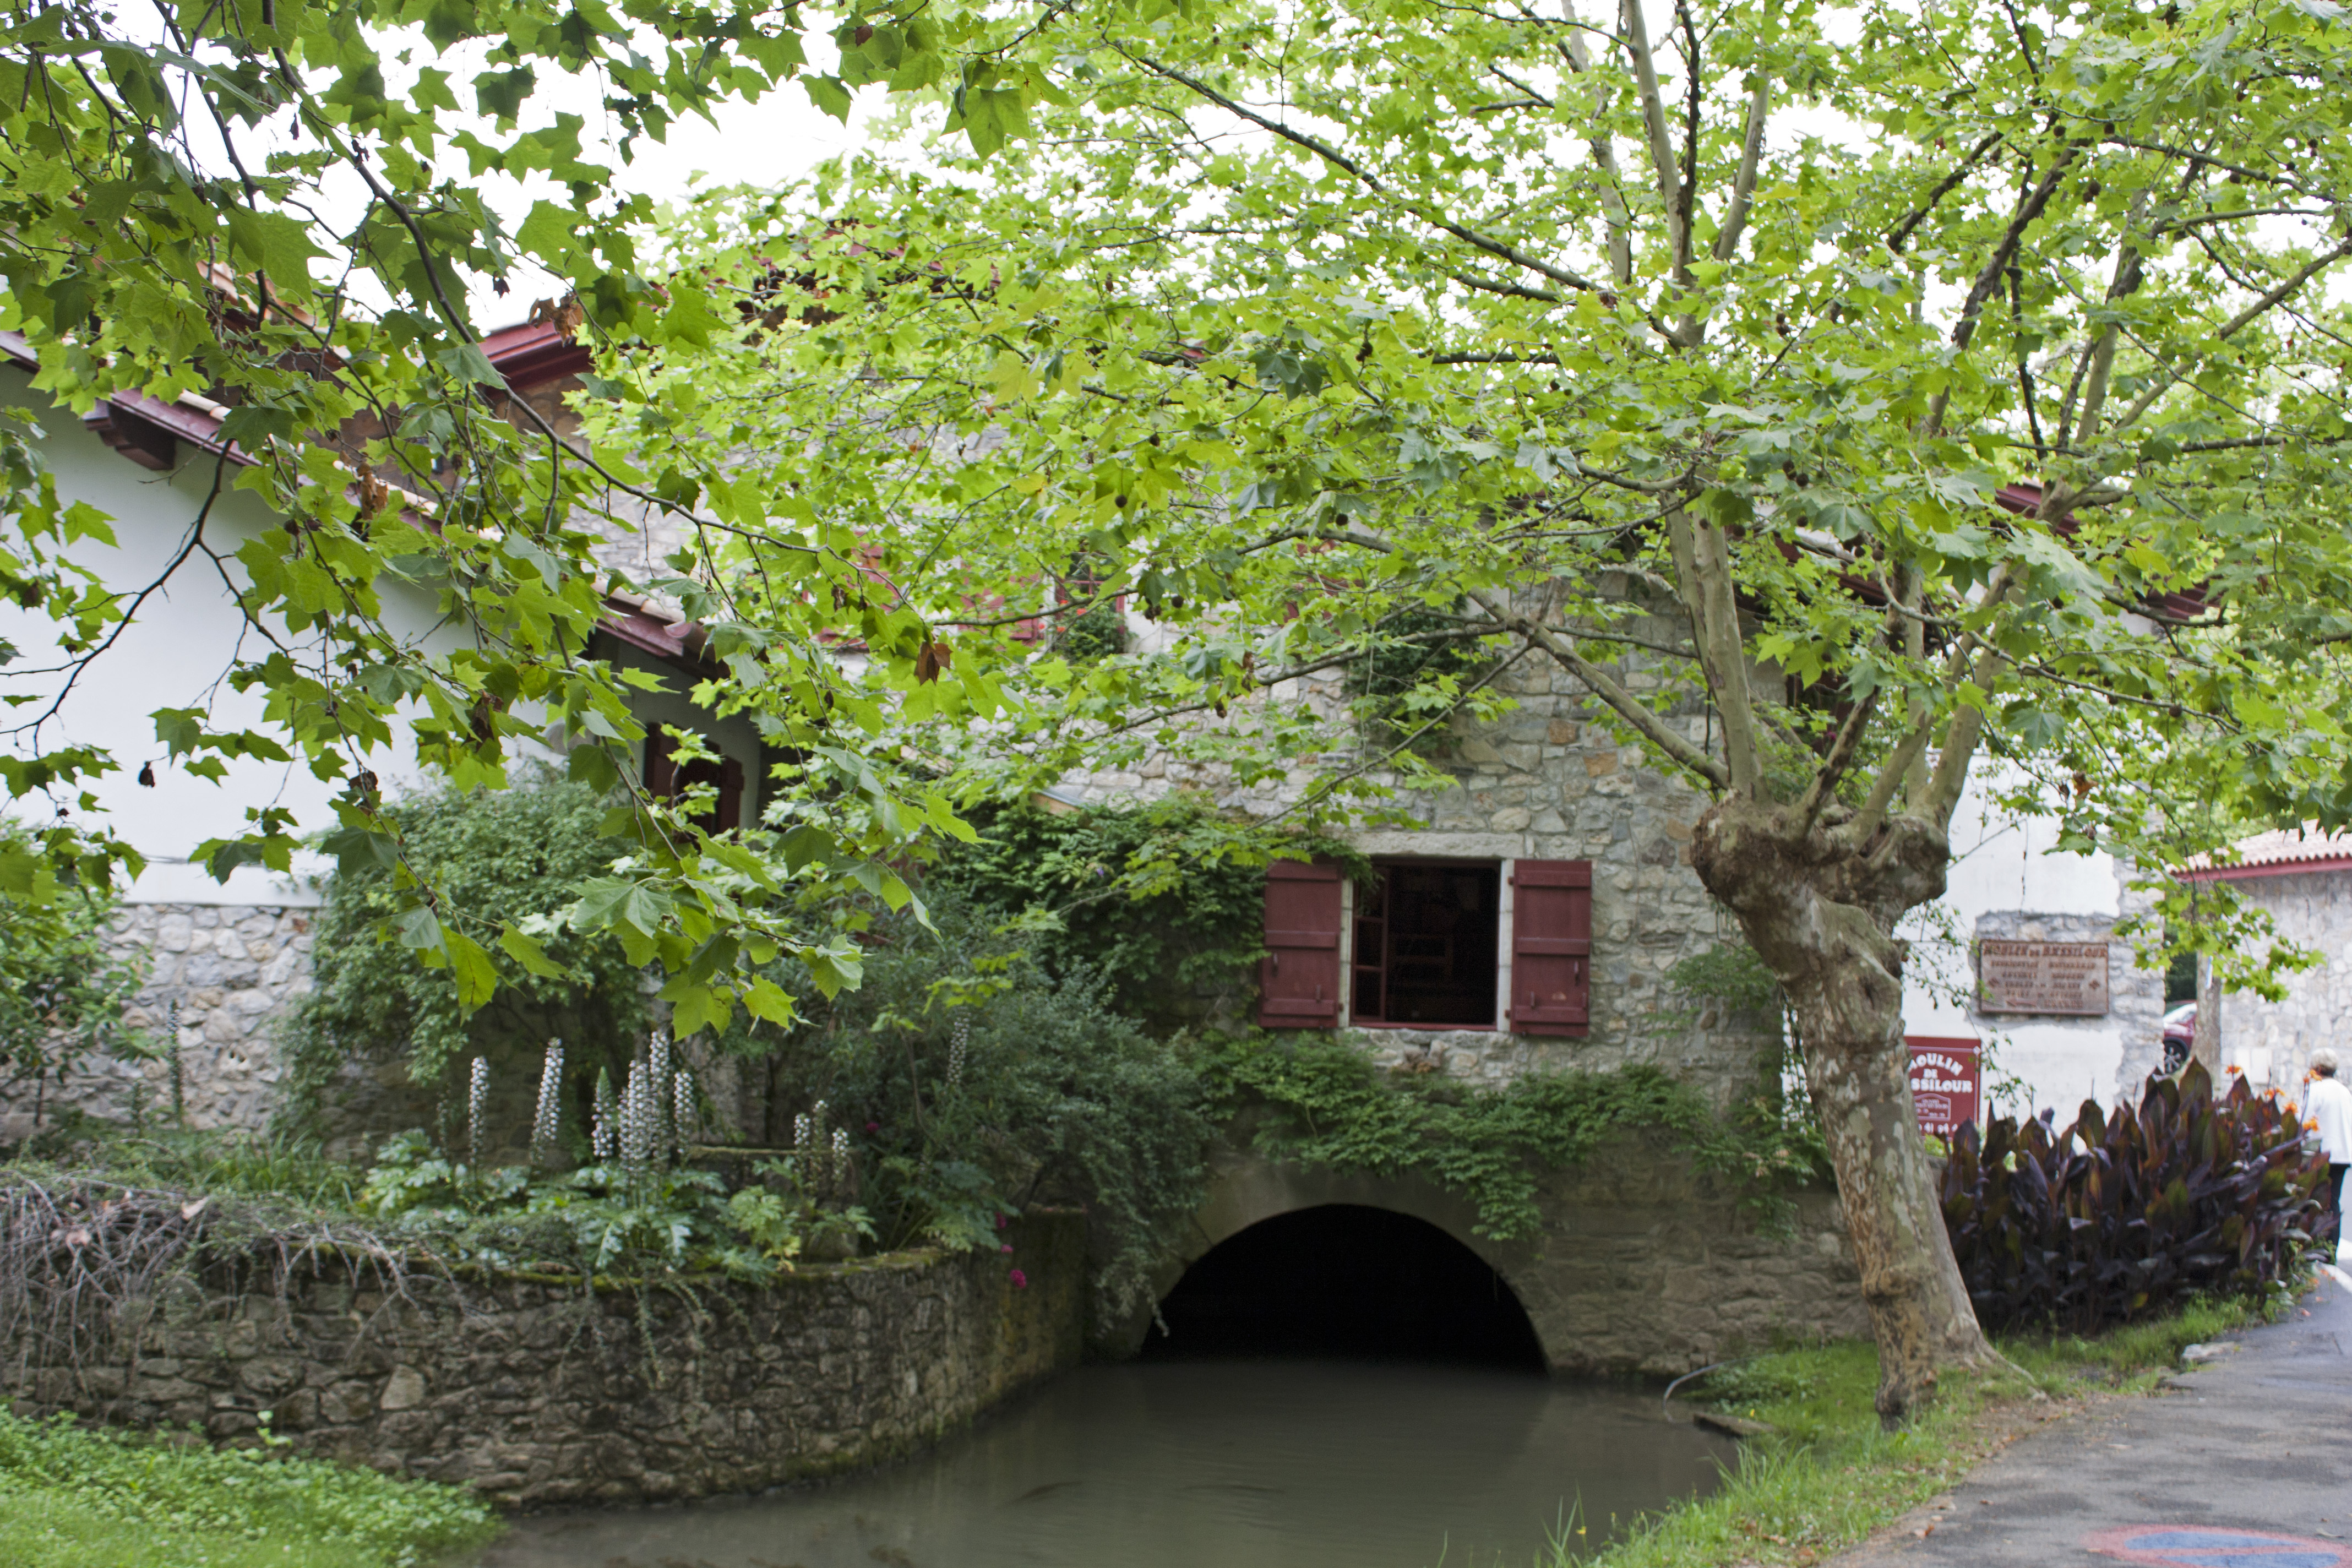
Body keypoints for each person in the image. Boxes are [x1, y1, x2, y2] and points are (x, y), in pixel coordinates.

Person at [2308, 1048, 2352, 1251]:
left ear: (2317, 1068)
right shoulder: (2345, 1092)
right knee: (2333, 1201)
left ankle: (2316, 1247)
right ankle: (2332, 1250)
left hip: (2320, 1154)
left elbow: (2306, 1123)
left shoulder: (2316, 1090)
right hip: (2343, 1154)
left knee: (2316, 1200)